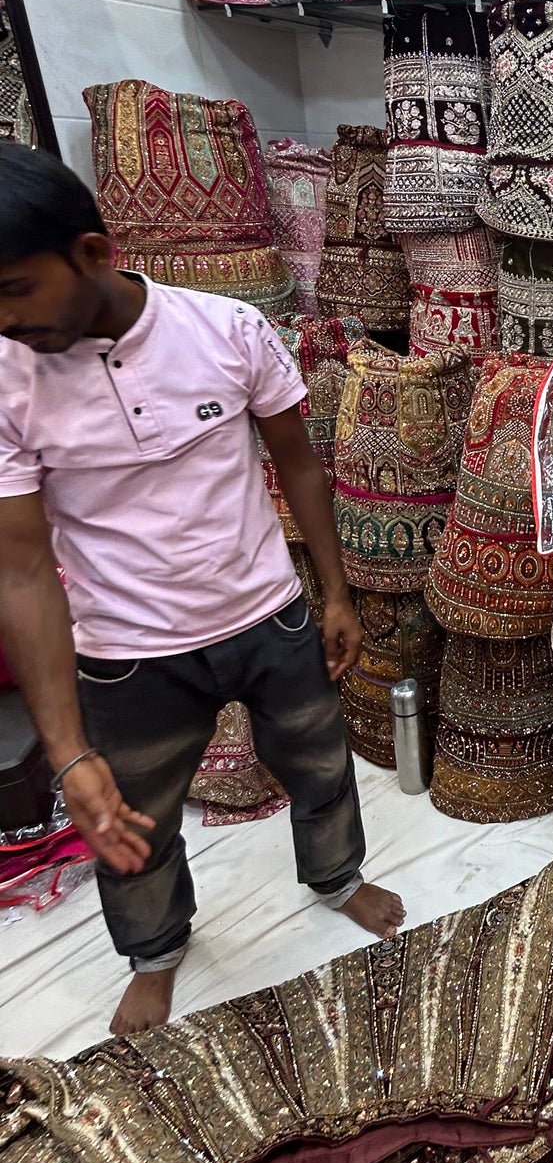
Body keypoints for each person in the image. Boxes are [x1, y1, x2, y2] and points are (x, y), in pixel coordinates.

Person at [0, 147, 404, 1036]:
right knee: (136, 822)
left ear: (92, 253)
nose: (5, 318)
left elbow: (299, 462)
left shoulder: (226, 330)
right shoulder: (6, 380)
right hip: (127, 653)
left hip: (267, 614)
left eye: (15, 289)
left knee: (320, 765)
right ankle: (155, 952)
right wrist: (67, 752)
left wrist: (335, 593)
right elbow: (22, 570)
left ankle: (337, 878)